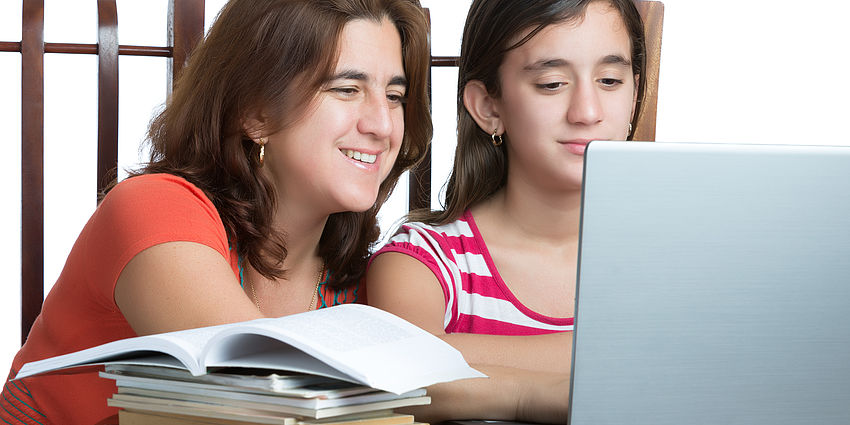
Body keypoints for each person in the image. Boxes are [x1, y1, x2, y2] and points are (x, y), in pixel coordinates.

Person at [1, 0, 431, 423]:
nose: (384, 124)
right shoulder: (152, 207)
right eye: (346, 89)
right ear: (255, 112)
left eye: (395, 96)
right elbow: (260, 389)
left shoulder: (363, 282)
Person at [366, 0, 646, 421]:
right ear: (488, 107)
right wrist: (638, 348)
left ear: (636, 91)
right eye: (551, 83)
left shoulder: (674, 260)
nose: (588, 113)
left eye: (610, 80)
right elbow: (404, 369)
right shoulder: (425, 262)